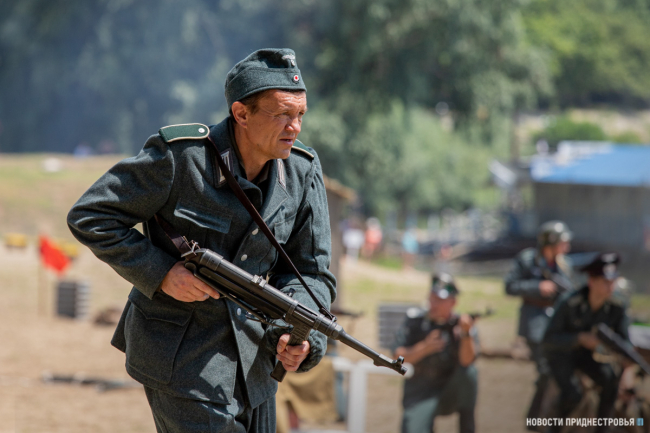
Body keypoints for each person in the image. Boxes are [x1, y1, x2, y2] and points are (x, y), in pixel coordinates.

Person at [67, 48, 336, 432]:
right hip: (182, 359)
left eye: (301, 115)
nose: (295, 127)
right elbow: (92, 215)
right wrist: (161, 273)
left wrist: (300, 335)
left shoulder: (302, 171)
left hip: (257, 367)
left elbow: (312, 272)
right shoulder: (181, 158)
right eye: (282, 115)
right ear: (241, 113)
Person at [543, 253, 630, 433]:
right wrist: (579, 338)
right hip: (562, 355)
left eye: (613, 282)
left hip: (589, 356)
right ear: (591, 281)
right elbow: (549, 339)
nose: (610, 287)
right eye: (605, 282)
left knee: (610, 382)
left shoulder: (617, 306)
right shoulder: (569, 302)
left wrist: (626, 361)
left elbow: (624, 341)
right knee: (572, 394)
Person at [504, 220, 574, 426]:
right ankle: (536, 420)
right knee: (546, 370)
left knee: (556, 371)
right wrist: (538, 287)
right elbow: (510, 286)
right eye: (562, 241)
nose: (566, 246)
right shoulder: (527, 260)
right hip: (534, 321)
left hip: (557, 323)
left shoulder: (564, 264)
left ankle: (541, 418)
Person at [393, 273, 479, 433]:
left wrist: (466, 334)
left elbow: (467, 361)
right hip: (421, 391)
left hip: (450, 390)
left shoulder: (461, 324)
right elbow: (397, 357)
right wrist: (425, 347)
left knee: (470, 373)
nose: (433, 304)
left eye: (439, 300)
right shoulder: (415, 321)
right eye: (432, 298)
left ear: (453, 302)